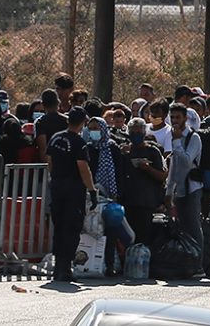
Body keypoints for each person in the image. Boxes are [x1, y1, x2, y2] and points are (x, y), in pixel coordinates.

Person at [46, 107, 96, 282]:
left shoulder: (55, 138)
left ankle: (58, 265)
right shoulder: (79, 142)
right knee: (71, 227)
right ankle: (65, 268)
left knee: (58, 226)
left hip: (57, 185)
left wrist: (55, 179)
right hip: (73, 188)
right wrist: (92, 190)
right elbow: (83, 168)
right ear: (83, 123)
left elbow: (49, 162)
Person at [85, 116, 126, 275]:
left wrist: (117, 193)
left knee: (110, 231)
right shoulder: (88, 148)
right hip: (91, 194)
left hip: (110, 196)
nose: (94, 131)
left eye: (97, 128)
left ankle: (109, 265)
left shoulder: (112, 148)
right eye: (91, 128)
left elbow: (118, 172)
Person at [165, 102, 204, 270]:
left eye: (178, 117)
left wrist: (177, 143)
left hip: (193, 188)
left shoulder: (193, 137)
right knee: (181, 227)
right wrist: (169, 190)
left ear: (185, 119)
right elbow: (174, 166)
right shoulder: (174, 137)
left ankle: (199, 265)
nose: (174, 121)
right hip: (179, 189)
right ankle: (185, 262)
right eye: (172, 117)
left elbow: (187, 161)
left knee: (194, 225)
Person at [121, 117, 166, 246]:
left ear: (144, 133)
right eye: (132, 133)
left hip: (147, 203)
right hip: (128, 201)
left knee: (145, 237)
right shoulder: (125, 151)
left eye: (138, 132)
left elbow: (162, 176)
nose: (135, 135)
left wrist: (147, 168)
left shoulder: (153, 151)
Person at [34, 89, 67, 162]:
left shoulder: (40, 122)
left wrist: (47, 166)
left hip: (50, 163)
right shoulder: (67, 120)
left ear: (43, 104)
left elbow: (43, 148)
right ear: (58, 103)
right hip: (67, 162)